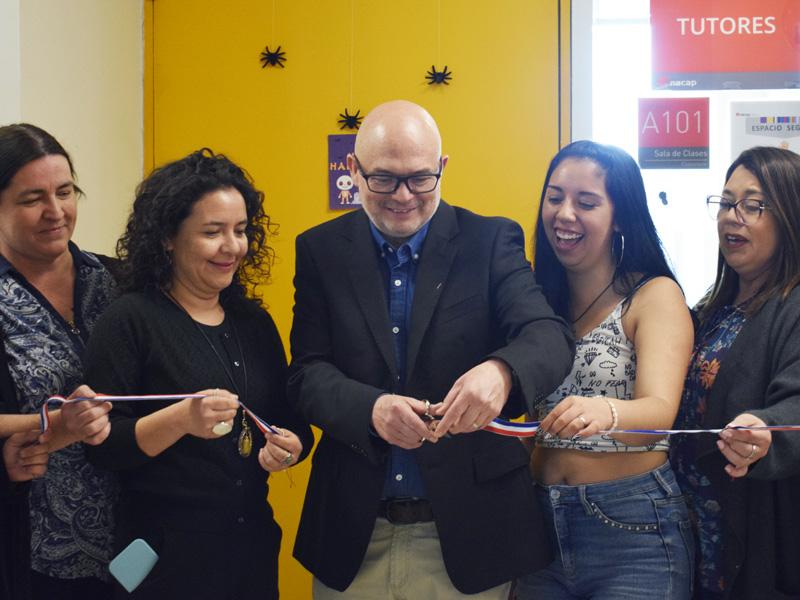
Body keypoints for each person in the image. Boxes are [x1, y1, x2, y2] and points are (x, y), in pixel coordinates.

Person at [287, 99, 574, 599]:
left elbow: (548, 336)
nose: (403, 196)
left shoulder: (489, 241)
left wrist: (501, 373)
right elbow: (307, 374)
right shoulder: (321, 251)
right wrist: (370, 409)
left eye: (420, 178)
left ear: (442, 168)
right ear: (353, 171)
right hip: (354, 535)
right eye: (384, 179)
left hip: (471, 537)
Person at [83, 148, 313, 600]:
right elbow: (103, 448)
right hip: (161, 557)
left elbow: (291, 417)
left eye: (241, 230)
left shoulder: (253, 321)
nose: (233, 247)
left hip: (250, 548)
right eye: (213, 232)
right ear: (168, 236)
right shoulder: (129, 320)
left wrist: (292, 446)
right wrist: (181, 420)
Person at [516, 140, 695, 599]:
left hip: (632, 526)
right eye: (554, 197)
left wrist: (606, 412)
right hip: (537, 527)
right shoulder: (534, 299)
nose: (564, 214)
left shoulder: (653, 295)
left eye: (586, 202)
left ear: (619, 215)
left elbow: (660, 411)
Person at [670, 146, 800, 599]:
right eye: (726, 203)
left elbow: (796, 403)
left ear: (789, 217)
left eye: (753, 205)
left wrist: (765, 430)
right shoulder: (714, 307)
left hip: (750, 533)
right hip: (688, 530)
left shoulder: (793, 305)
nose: (732, 216)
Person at [0, 123, 119, 600]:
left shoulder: (116, 280)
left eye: (65, 192)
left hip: (133, 543)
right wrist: (49, 425)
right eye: (32, 199)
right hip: (31, 555)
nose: (56, 212)